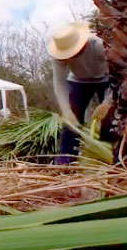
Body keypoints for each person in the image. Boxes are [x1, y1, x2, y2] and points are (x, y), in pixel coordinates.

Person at [48, 21, 112, 164]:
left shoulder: (98, 46)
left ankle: (108, 157)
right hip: (78, 80)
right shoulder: (59, 55)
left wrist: (107, 103)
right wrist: (66, 110)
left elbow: (119, 75)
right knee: (71, 121)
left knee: (110, 117)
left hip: (106, 78)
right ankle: (66, 160)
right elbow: (59, 82)